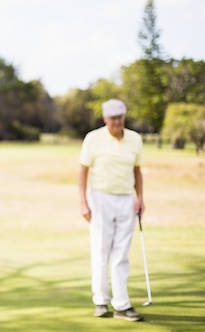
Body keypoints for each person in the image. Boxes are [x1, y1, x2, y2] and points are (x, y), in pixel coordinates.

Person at [77, 99, 146, 322]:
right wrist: (83, 202)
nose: (117, 121)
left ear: (124, 116)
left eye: (120, 117)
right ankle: (100, 300)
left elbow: (137, 171)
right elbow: (82, 171)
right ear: (105, 119)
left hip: (126, 198)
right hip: (99, 198)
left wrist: (140, 199)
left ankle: (121, 304)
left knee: (121, 253)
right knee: (101, 250)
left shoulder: (135, 139)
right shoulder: (93, 138)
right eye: (112, 118)